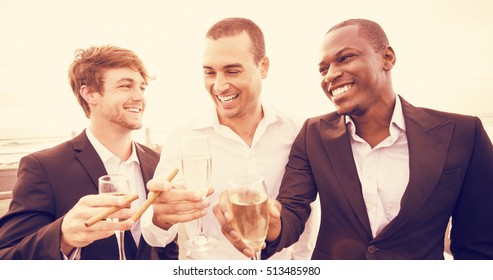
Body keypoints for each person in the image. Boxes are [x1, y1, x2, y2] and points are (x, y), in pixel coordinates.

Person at [214, 18, 493, 260]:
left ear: (387, 58)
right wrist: (270, 224)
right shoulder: (313, 134)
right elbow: (292, 212)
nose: (331, 75)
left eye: (345, 58)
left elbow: (479, 244)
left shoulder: (463, 134)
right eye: (323, 69)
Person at [140, 17, 320, 260]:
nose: (219, 85)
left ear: (263, 66)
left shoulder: (297, 130)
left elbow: (309, 218)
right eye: (209, 72)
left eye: (232, 71)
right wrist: (161, 216)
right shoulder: (184, 135)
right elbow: (153, 235)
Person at [0, 45, 178, 260]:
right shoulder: (42, 167)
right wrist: (63, 236)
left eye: (142, 87)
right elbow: (8, 258)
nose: (139, 96)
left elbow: (167, 250)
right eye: (125, 86)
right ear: (89, 93)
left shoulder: (158, 162)